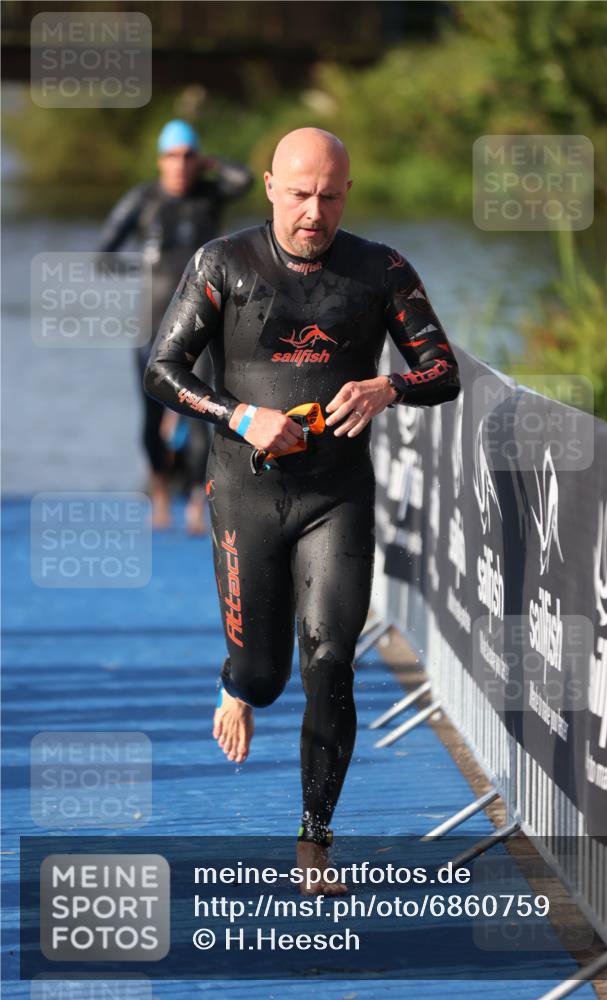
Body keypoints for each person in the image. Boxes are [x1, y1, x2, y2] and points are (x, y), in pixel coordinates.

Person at [143, 127, 460, 893]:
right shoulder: (224, 264)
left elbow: (441, 370)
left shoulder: (380, 270)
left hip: (335, 496)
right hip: (244, 491)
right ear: (269, 187)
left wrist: (389, 388)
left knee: (331, 664)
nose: (312, 211)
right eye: (298, 193)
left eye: (327, 195)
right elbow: (163, 368)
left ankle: (314, 839)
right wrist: (237, 414)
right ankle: (239, 683)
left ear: (346, 193)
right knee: (265, 673)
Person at [97, 119, 253, 531]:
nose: (180, 165)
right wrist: (123, 266)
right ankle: (161, 489)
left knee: (204, 414)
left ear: (196, 160)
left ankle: (198, 508)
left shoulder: (209, 195)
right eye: (172, 156)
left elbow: (246, 179)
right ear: (160, 160)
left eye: (188, 157)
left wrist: (211, 164)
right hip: (151, 325)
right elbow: (104, 248)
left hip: (202, 327)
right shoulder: (144, 199)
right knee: (150, 421)